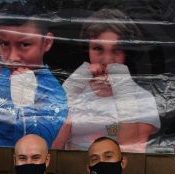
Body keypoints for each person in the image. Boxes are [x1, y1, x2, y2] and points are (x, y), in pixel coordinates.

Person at [52, 9, 160, 153]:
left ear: (127, 52)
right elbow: (53, 148)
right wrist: (71, 89)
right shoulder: (74, 90)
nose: (107, 60)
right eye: (98, 48)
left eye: (116, 50)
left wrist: (124, 90)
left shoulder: (143, 99)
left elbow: (131, 153)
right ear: (86, 50)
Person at [0, 18, 67, 148]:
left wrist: (25, 107)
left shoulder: (53, 92)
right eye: (4, 43)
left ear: (47, 42)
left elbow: (36, 149)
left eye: (24, 44)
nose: (13, 57)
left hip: (16, 161)